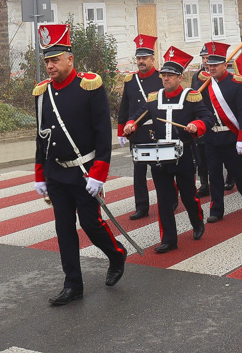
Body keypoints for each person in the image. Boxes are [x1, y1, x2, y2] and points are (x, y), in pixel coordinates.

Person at [32, 24, 127, 306]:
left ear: (70, 59)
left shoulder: (89, 86)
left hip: (84, 171)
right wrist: (40, 174)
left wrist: (99, 172)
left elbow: (101, 132)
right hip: (56, 173)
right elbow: (41, 136)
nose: (50, 66)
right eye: (47, 61)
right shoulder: (41, 93)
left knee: (91, 223)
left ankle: (116, 254)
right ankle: (73, 284)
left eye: (55, 60)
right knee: (64, 228)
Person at [123, 47, 212, 253]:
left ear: (180, 78)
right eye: (163, 75)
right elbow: (139, 115)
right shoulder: (154, 98)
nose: (165, 79)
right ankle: (169, 239)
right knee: (163, 200)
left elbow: (207, 118)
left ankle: (197, 223)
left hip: (184, 155)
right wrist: (131, 124)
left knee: (189, 196)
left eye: (170, 76)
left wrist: (196, 125)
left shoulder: (191, 97)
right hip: (160, 156)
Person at [198, 42, 242, 222]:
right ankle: (216, 210)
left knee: (238, 172)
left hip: (231, 137)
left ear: (225, 64)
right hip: (212, 137)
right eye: (210, 64)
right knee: (214, 174)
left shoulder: (236, 83)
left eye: (216, 64)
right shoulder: (203, 83)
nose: (212, 67)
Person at [117, 34, 163, 221]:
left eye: (145, 58)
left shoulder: (161, 79)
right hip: (136, 133)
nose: (141, 61)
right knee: (139, 172)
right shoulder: (130, 81)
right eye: (139, 58)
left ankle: (167, 200)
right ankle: (141, 206)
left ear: (153, 58)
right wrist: (121, 131)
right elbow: (124, 107)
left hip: (155, 132)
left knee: (160, 170)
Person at [190, 45, 211, 196]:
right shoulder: (196, 76)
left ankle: (230, 177)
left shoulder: (217, 75)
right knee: (201, 156)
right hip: (201, 120)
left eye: (208, 58)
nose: (205, 61)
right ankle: (204, 183)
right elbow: (192, 97)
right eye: (203, 58)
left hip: (217, 119)